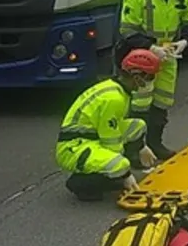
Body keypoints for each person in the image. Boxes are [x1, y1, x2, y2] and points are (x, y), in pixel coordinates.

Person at [118, 0, 188, 160]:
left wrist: (184, 42)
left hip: (168, 57)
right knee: (139, 105)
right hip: (141, 58)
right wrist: (152, 48)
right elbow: (128, 31)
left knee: (162, 103)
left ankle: (155, 144)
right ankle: (134, 150)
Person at [55, 45, 161, 201]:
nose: (151, 81)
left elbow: (114, 127)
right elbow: (111, 142)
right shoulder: (114, 99)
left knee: (138, 126)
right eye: (150, 77)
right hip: (74, 147)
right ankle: (80, 184)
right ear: (137, 77)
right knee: (120, 164)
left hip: (89, 137)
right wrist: (124, 174)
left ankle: (115, 172)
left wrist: (141, 146)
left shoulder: (117, 89)